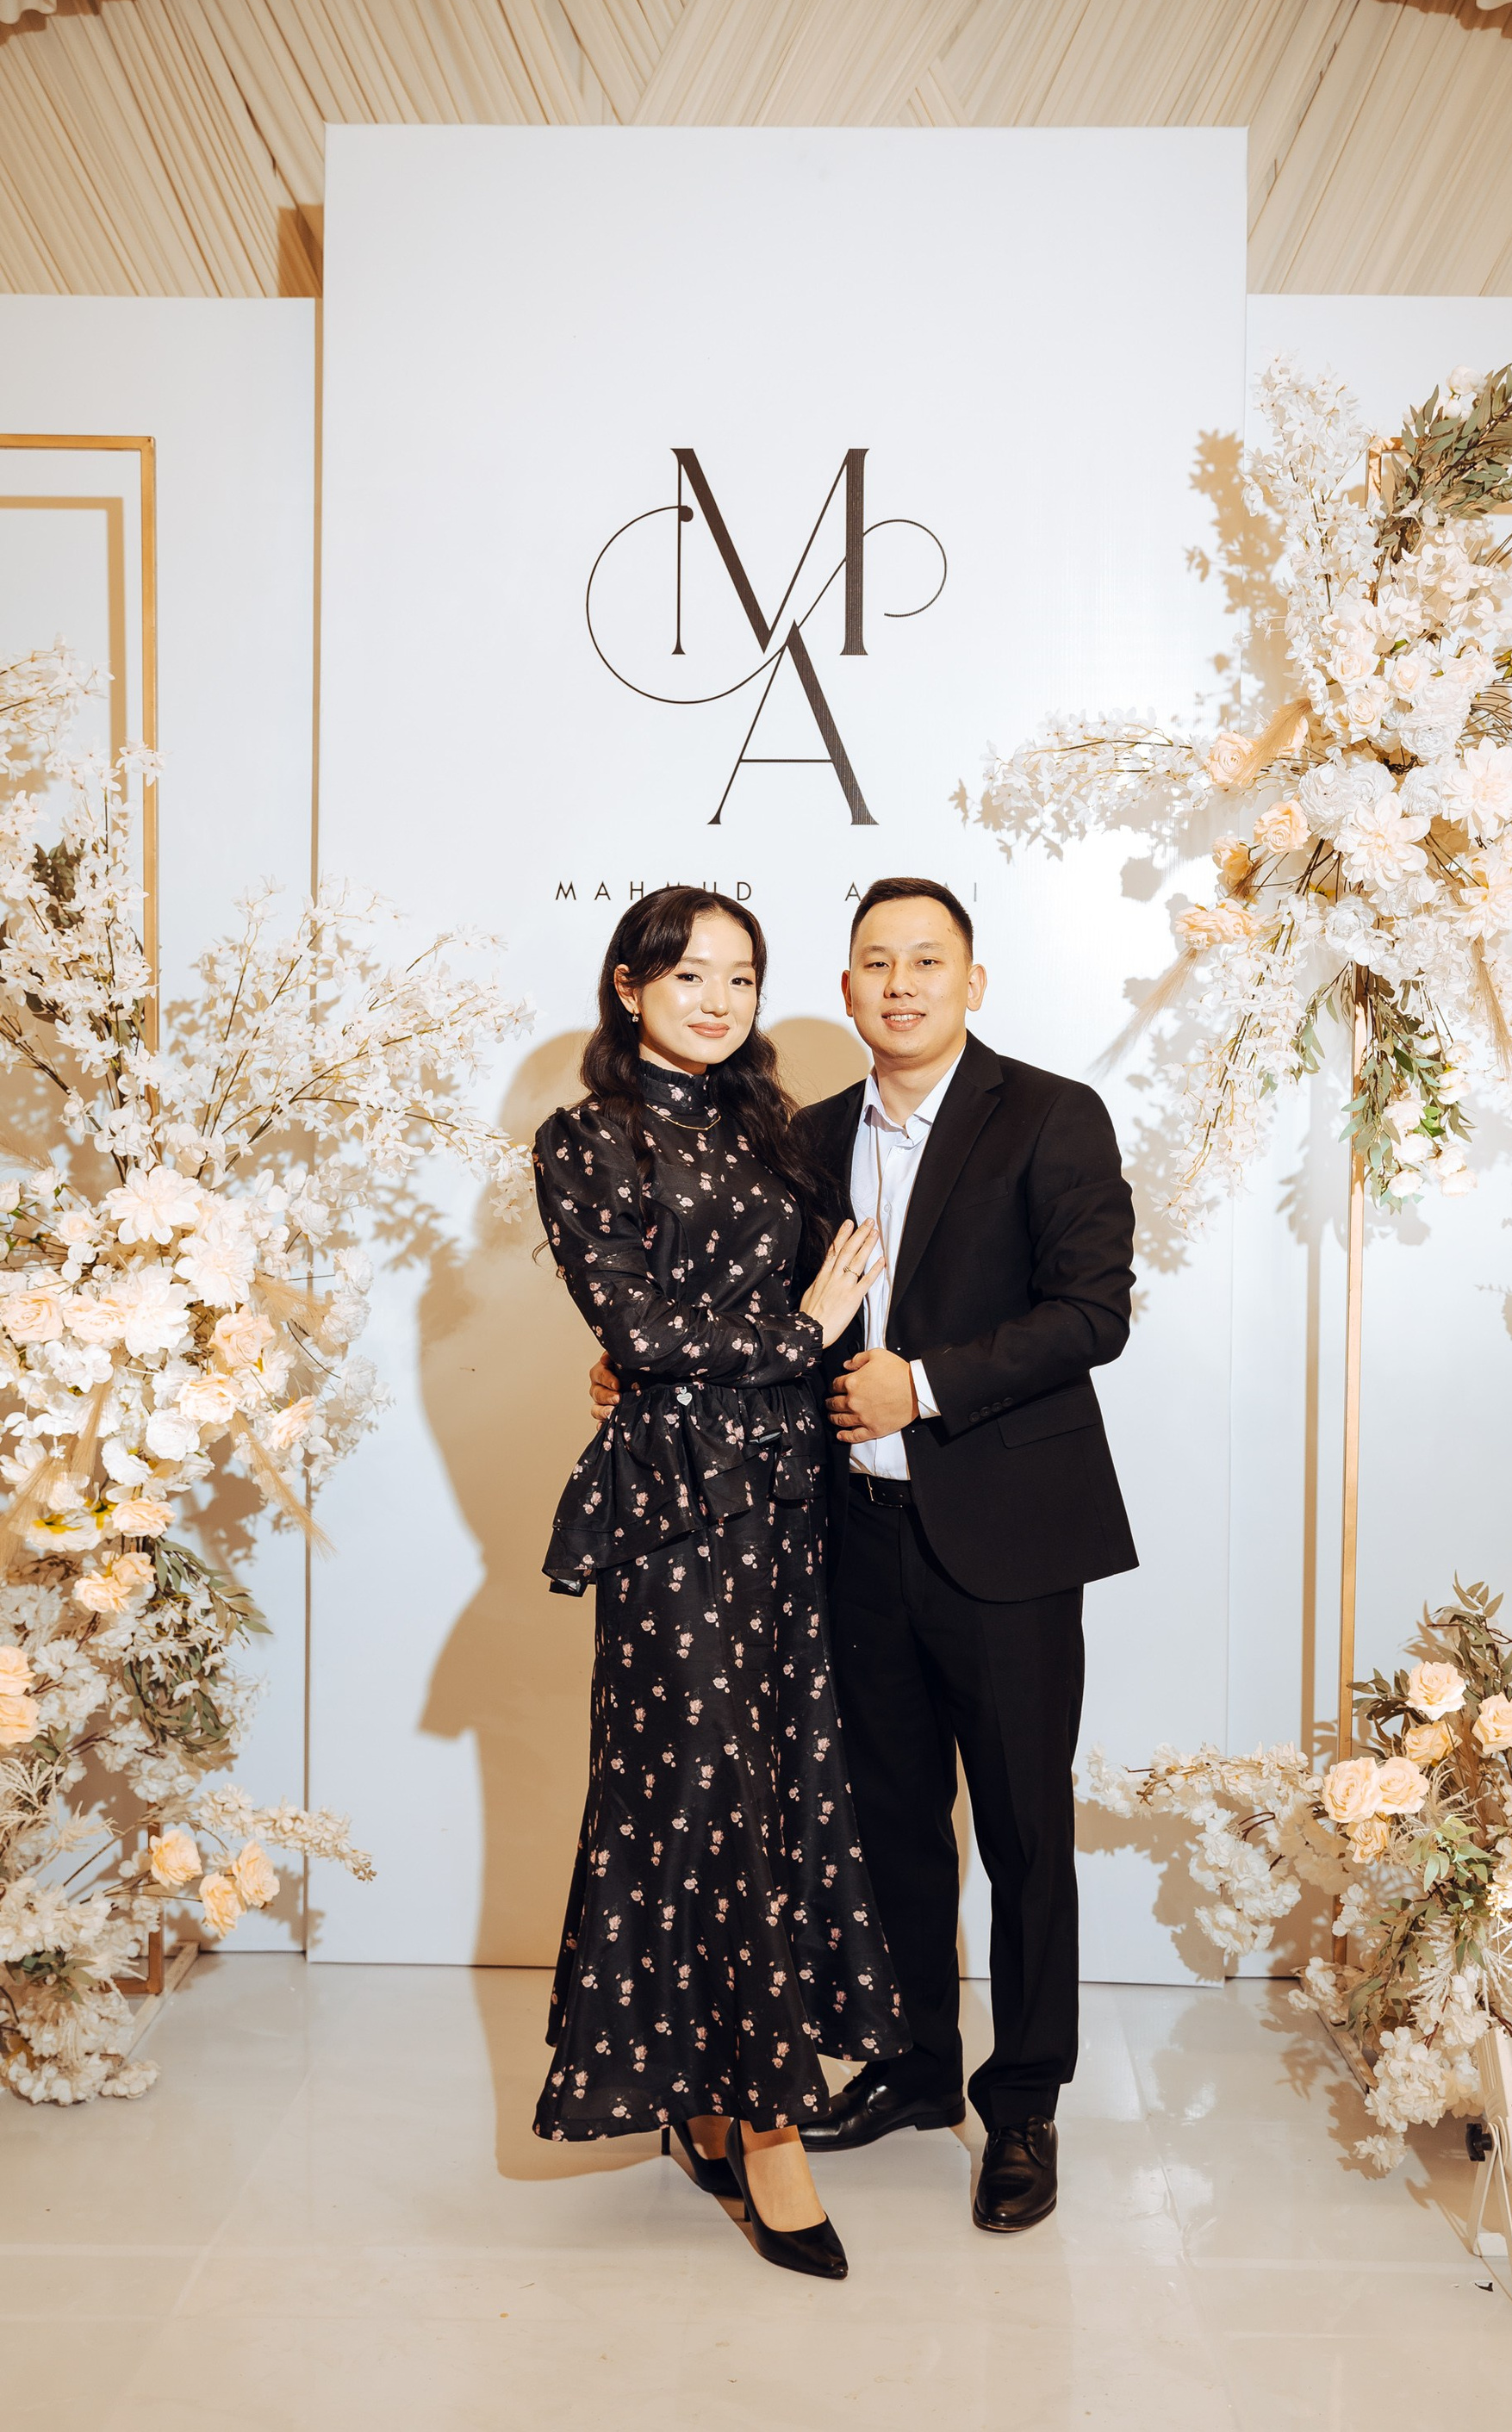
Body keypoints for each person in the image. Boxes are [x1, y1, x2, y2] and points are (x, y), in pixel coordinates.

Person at [600, 879, 1136, 2231]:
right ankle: (913, 2066)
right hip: (851, 1535)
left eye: (927, 960)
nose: (901, 984)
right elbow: (750, 1307)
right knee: (887, 1820)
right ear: (844, 992)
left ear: (972, 980)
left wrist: (925, 1386)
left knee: (1023, 1831)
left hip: (1008, 1535)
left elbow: (1093, 1312)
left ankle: (1024, 2104)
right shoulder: (807, 1134)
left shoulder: (1052, 1114)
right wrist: (645, 1371)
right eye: (875, 964)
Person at [531, 886, 907, 2283]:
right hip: (674, 1515)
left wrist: (789, 1346)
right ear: (630, 986)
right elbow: (634, 1325)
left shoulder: (771, 1130)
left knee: (777, 1782)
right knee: (692, 1792)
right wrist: (794, 1331)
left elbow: (738, 1324)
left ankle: (705, 2095)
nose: (718, 998)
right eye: (690, 974)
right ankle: (767, 2126)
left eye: (740, 976)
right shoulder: (585, 1137)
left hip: (787, 1506)